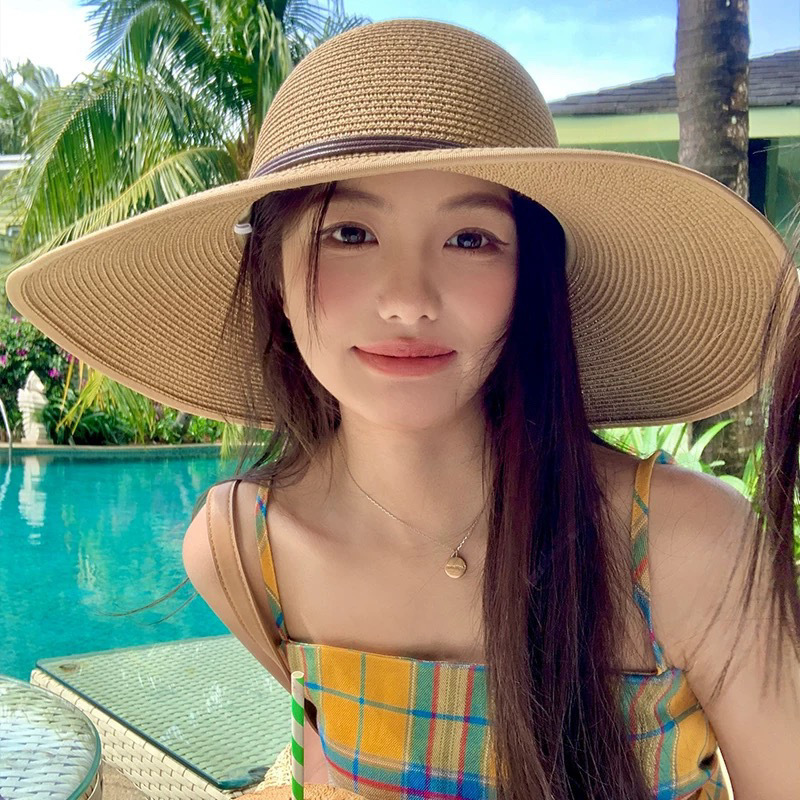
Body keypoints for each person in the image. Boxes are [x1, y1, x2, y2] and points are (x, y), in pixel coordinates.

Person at [6, 18, 800, 800]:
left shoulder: (691, 549)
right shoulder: (243, 551)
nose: (408, 301)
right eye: (350, 233)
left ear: (531, 278)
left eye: (471, 239)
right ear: (273, 273)